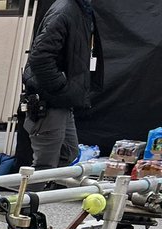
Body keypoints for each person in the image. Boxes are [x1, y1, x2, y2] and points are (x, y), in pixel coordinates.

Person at [22, 0, 102, 169]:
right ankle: (35, 194)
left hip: (62, 102)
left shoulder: (80, 10)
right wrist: (61, 87)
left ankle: (49, 192)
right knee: (45, 166)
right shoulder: (65, 10)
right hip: (50, 102)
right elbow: (40, 58)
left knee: (68, 156)